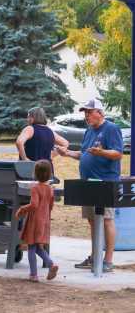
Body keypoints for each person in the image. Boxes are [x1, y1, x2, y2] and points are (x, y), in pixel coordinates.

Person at [57, 99, 123, 273]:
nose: (86, 116)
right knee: (93, 221)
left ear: (99, 112)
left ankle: (108, 261)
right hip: (87, 183)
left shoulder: (111, 129)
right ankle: (94, 257)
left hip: (105, 182)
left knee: (107, 219)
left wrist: (101, 152)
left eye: (89, 112)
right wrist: (68, 153)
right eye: (84, 112)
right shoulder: (88, 131)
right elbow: (84, 154)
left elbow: (118, 153)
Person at [16, 160, 58, 282]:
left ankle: (33, 274)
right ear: (50, 174)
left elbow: (34, 205)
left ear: (35, 174)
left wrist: (22, 209)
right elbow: (51, 206)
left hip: (34, 220)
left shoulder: (35, 188)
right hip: (44, 220)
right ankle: (51, 264)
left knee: (31, 248)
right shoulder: (50, 189)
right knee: (39, 247)